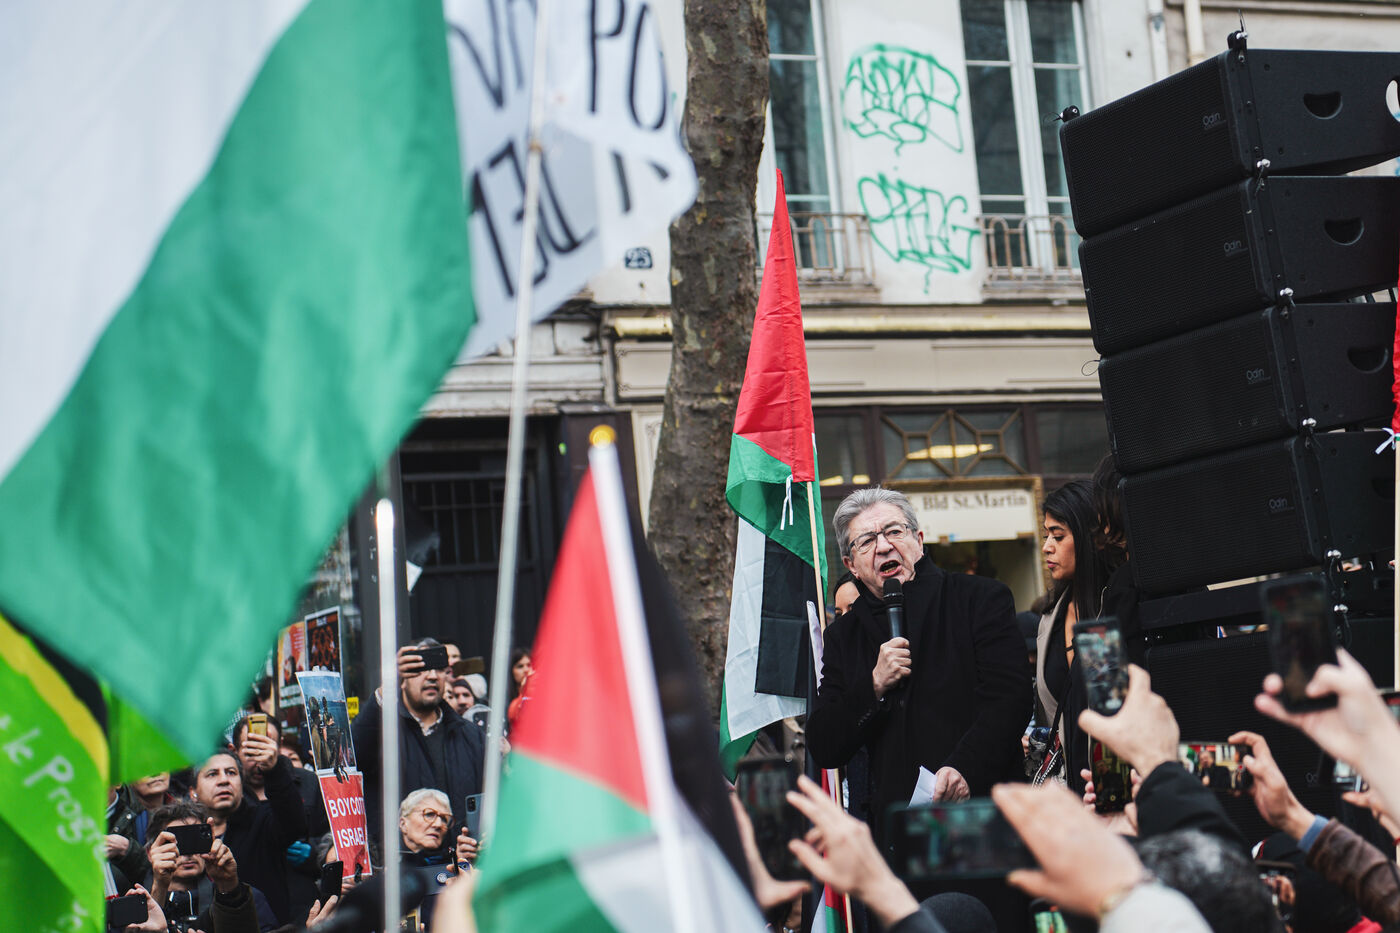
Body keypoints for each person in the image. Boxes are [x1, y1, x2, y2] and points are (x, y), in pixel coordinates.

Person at [807, 488, 1030, 824]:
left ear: (919, 540)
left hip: (985, 818)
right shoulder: (844, 636)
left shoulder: (979, 599)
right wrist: (874, 684)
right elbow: (824, 744)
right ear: (851, 565)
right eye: (866, 541)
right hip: (898, 832)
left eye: (894, 531)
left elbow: (1010, 700)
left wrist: (965, 769)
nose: (884, 546)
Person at [351, 638, 485, 849]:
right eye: (420, 669)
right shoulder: (382, 733)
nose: (432, 676)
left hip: (459, 862)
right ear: (402, 679)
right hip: (399, 863)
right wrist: (387, 688)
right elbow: (351, 756)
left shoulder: (470, 735)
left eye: (439, 669)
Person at [1034, 480, 1112, 793]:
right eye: (1046, 536)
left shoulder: (1116, 608)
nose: (1046, 547)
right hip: (1071, 793)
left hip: (1116, 786)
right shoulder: (1049, 620)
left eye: (1058, 536)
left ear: (1088, 537)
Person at [189, 749, 307, 924]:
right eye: (212, 774)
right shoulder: (185, 833)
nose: (224, 780)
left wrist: (273, 770)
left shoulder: (263, 822)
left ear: (242, 785)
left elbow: (294, 823)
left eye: (231, 773)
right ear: (193, 793)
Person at [144, 798, 273, 933]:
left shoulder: (242, 898)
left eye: (195, 840)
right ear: (150, 853)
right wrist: (159, 888)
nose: (189, 854)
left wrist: (229, 888)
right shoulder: (136, 902)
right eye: (178, 842)